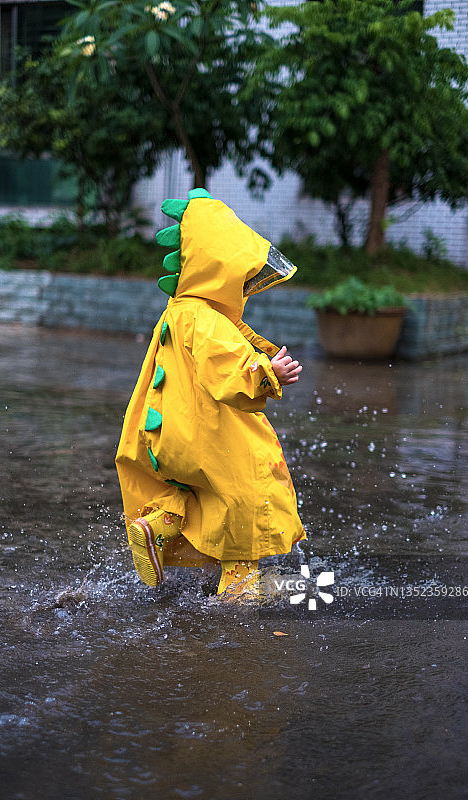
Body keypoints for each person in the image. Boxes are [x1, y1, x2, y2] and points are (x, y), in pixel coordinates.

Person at [115, 189, 305, 596]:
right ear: (220, 269)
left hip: (171, 435)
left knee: (197, 492)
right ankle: (239, 596)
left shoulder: (180, 311)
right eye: (241, 276)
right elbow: (226, 368)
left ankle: (159, 526)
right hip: (208, 435)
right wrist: (266, 373)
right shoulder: (207, 321)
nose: (245, 286)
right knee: (247, 498)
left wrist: (260, 357)